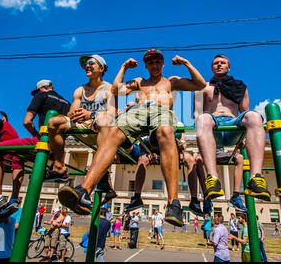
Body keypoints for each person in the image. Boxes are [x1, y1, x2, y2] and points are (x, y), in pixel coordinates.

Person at [59, 50, 206, 228]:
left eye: (158, 61)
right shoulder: (139, 82)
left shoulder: (171, 81)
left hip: (161, 112)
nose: (154, 65)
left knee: (166, 131)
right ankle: (84, 191)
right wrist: (123, 67)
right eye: (151, 62)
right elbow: (115, 90)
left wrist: (186, 63)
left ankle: (173, 203)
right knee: (114, 131)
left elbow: (200, 84)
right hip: (139, 111)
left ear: (163, 63)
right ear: (146, 65)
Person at [0, 80, 71, 218]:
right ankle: (14, 199)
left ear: (42, 88)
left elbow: (27, 121)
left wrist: (36, 133)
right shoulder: (67, 103)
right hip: (57, 148)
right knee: (17, 157)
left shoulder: (41, 95)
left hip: (42, 140)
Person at [194, 54, 270, 210]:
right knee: (202, 119)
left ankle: (256, 177)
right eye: (216, 63)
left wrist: (245, 135)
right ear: (212, 67)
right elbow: (196, 113)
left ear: (228, 67)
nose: (219, 65)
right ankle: (213, 178)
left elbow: (244, 111)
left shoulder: (240, 86)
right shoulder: (202, 87)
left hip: (233, 126)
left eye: (223, 63)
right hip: (212, 126)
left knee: (254, 116)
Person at [51, 55, 118, 213]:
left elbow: (112, 112)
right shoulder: (79, 90)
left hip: (99, 123)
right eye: (85, 64)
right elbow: (72, 111)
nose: (87, 66)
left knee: (104, 118)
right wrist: (75, 113)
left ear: (101, 68)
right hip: (82, 124)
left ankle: (99, 173)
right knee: (54, 122)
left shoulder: (108, 88)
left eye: (91, 63)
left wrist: (90, 114)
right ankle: (59, 166)